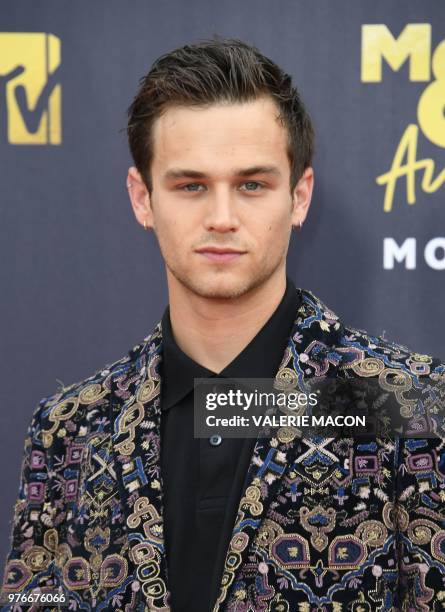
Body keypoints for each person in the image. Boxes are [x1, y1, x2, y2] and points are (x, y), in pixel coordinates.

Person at [2, 37, 445, 612]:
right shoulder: (68, 431)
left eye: (251, 185)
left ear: (300, 196)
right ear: (142, 198)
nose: (221, 218)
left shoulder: (408, 403)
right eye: (190, 186)